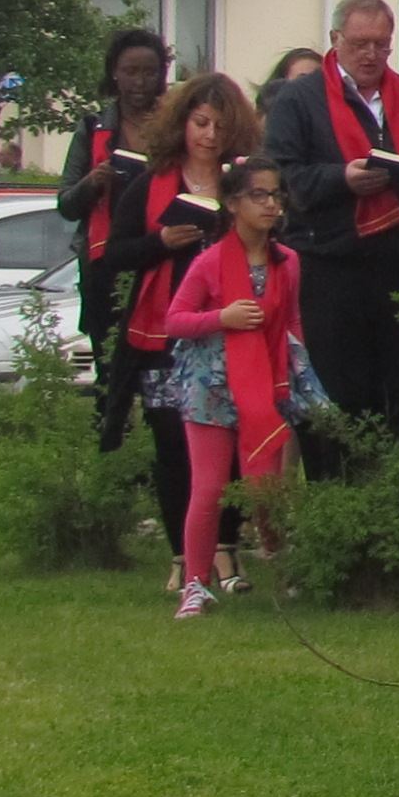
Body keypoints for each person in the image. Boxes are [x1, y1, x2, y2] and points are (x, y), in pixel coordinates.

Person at [264, 0, 399, 437]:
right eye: (360, 43)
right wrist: (341, 179)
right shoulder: (300, 100)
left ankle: (393, 493)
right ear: (336, 40)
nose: (371, 55)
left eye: (382, 45)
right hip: (331, 267)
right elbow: (282, 178)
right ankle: (340, 493)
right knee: (340, 397)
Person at [159, 151, 328, 620]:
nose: (271, 205)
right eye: (259, 195)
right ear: (232, 203)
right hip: (210, 386)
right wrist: (222, 318)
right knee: (210, 488)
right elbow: (174, 320)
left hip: (264, 387)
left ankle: (285, 570)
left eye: (277, 195)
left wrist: (298, 371)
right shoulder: (210, 263)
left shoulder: (288, 261)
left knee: (265, 491)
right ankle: (195, 584)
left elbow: (291, 319)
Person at [114, 70, 254, 595]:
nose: (210, 136)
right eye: (200, 123)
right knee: (172, 444)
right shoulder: (152, 182)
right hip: (163, 335)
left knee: (232, 443)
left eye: (220, 125)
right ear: (182, 123)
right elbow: (113, 253)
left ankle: (224, 549)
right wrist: (161, 241)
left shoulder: (241, 182)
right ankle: (180, 554)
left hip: (230, 327)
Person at [57, 24, 172, 455]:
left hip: (163, 255)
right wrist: (92, 182)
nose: (140, 82)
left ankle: (163, 453)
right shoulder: (93, 130)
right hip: (106, 264)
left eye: (149, 72)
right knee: (112, 367)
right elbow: (66, 204)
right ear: (114, 75)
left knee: (163, 365)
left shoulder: (177, 124)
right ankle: (114, 461)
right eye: (130, 72)